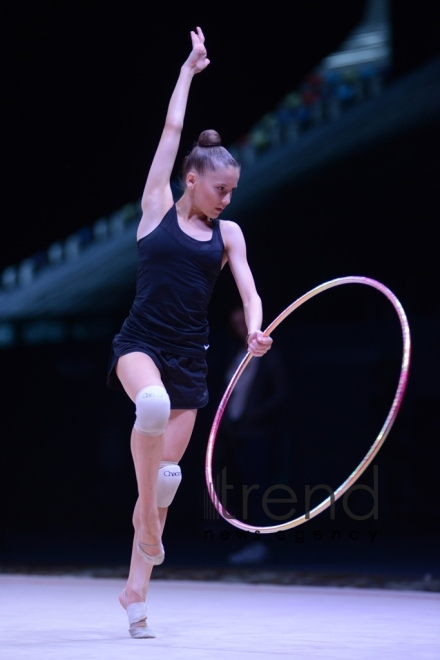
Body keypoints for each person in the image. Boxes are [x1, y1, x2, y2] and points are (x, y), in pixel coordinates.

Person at [106, 27, 273, 638]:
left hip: (190, 361)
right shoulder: (156, 208)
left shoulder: (229, 236)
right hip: (139, 346)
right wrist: (188, 71)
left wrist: (255, 333)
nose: (228, 199)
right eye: (220, 189)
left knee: (168, 480)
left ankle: (135, 593)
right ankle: (147, 527)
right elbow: (171, 131)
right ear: (191, 181)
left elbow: (250, 293)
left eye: (234, 191)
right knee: (148, 406)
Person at [213, 306, 293, 565]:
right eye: (235, 324)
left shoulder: (269, 356)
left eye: (243, 322)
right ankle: (249, 541)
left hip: (259, 432)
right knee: (242, 488)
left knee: (260, 488)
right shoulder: (234, 354)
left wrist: (257, 414)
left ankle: (262, 542)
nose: (240, 328)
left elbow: (281, 392)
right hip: (236, 434)